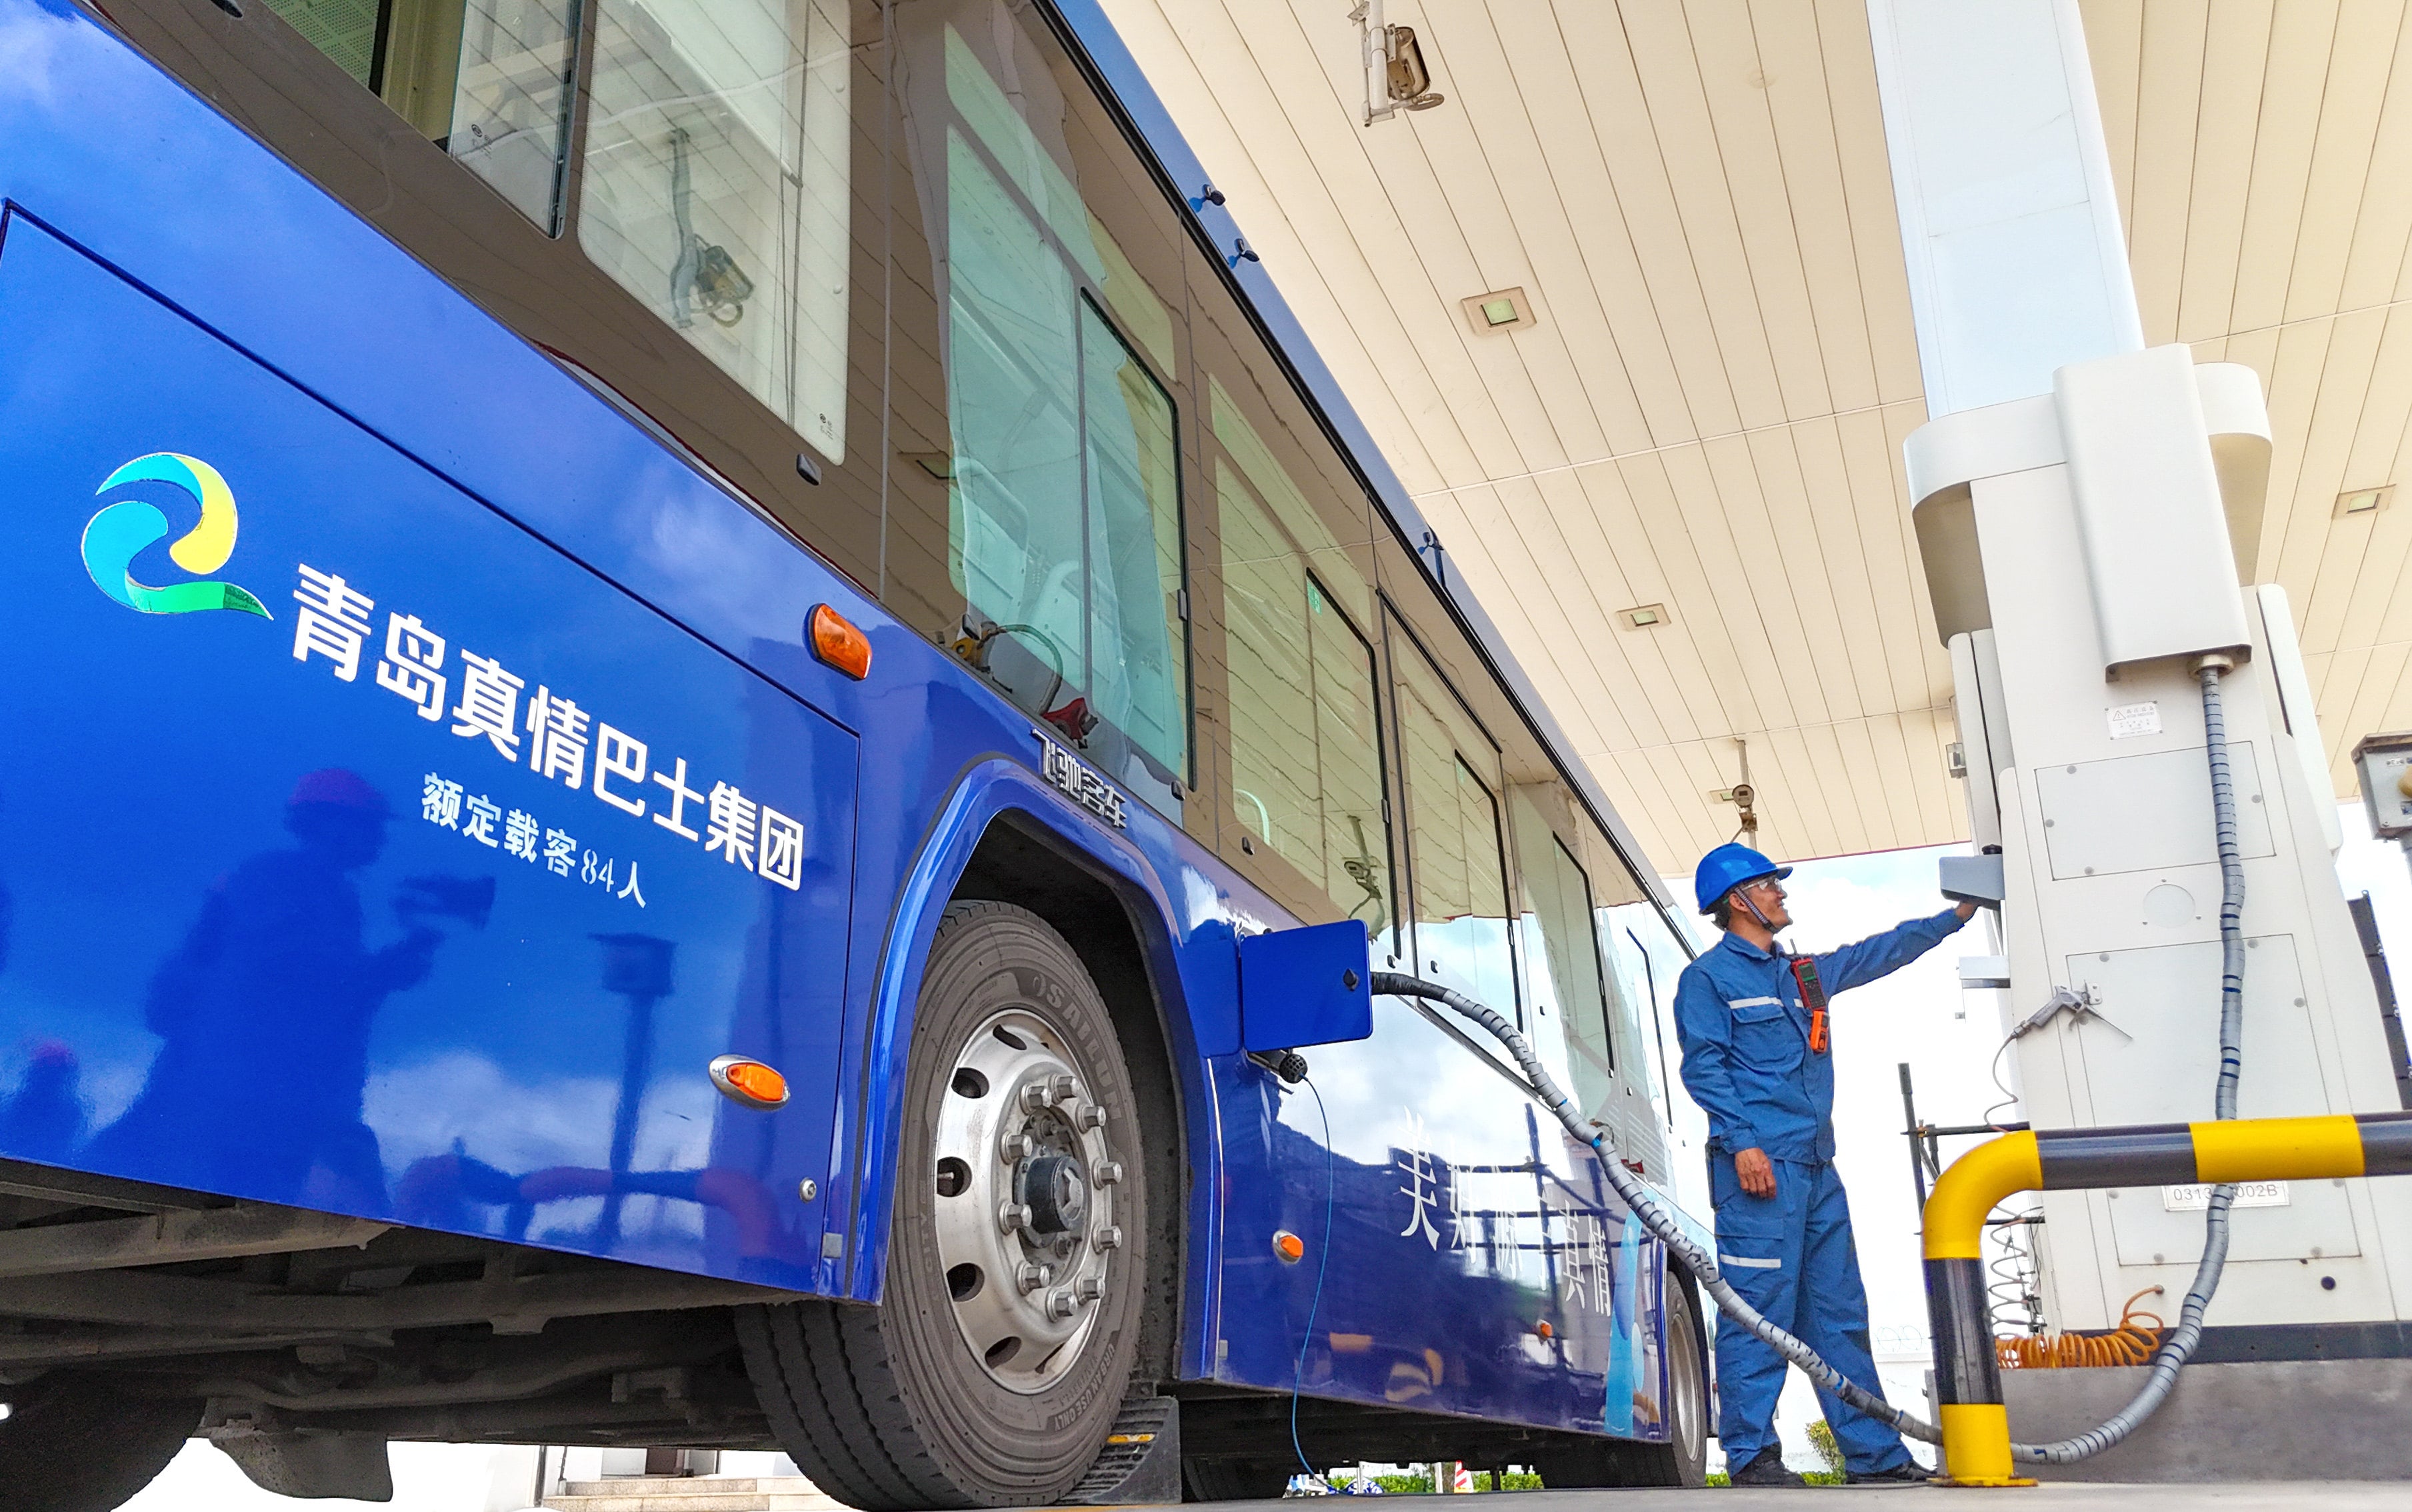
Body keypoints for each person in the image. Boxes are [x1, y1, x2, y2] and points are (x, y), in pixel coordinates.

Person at [1672, 842, 1977, 1487]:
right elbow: (1704, 1066)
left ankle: (1875, 1457)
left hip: (1817, 1171)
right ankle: (1752, 1455)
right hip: (1758, 1172)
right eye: (1770, 886)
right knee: (1758, 1313)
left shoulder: (1804, 977)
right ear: (1738, 901)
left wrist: (1953, 920)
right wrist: (1742, 1140)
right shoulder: (1707, 981)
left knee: (1838, 1314)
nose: (1782, 894)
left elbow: (1876, 954)